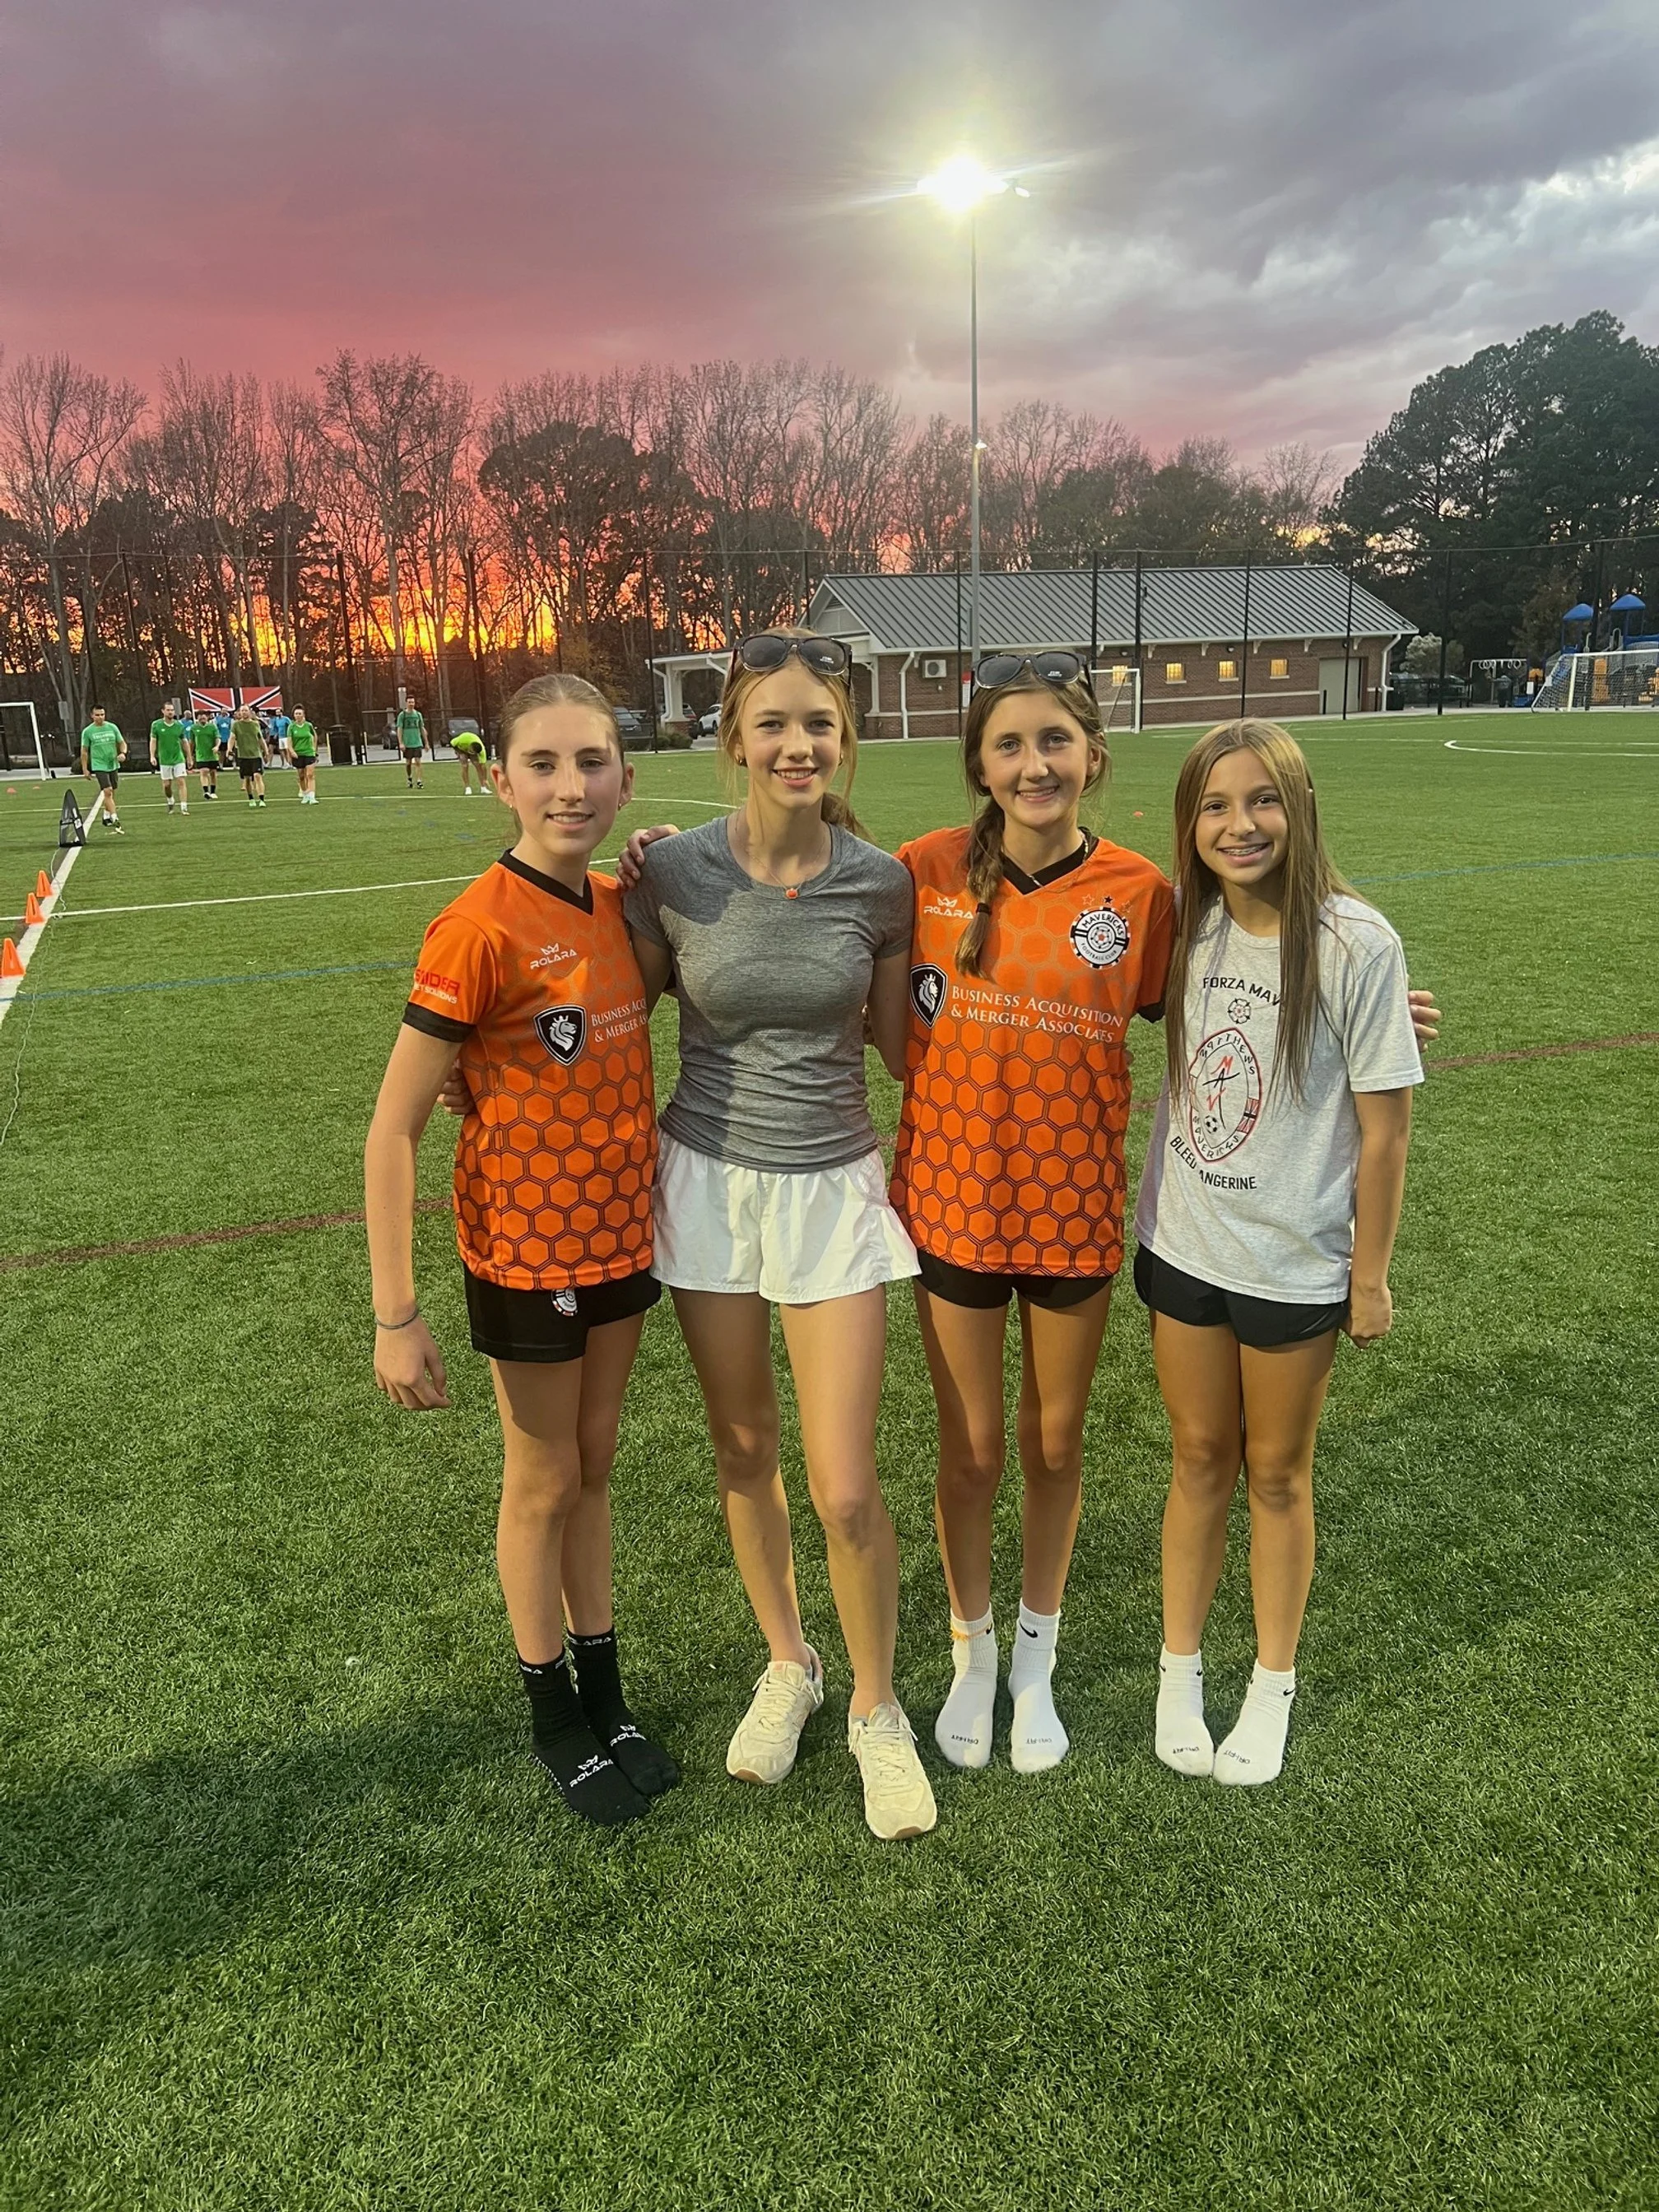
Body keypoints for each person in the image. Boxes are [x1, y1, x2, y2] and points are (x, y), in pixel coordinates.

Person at [620, 630, 936, 1843]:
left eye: (819, 725)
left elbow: (910, 1048)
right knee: (743, 1450)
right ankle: (790, 1665)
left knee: (845, 1486)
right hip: (704, 1184)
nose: (797, 745)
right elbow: (605, 1005)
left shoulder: (879, 882)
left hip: (831, 1195)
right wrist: (467, 1071)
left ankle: (875, 1710)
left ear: (841, 743)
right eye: (774, 724)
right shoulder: (676, 873)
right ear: (734, 739)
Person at [365, 672, 675, 1829]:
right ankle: (552, 1711)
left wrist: (660, 860)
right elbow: (392, 1128)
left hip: (620, 1239)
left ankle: (606, 1689)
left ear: (624, 777)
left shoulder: (617, 908)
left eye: (591, 761)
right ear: (501, 779)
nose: (569, 785)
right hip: (526, 1254)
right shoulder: (478, 927)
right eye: (542, 764)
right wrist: (397, 1315)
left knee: (595, 1466)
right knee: (542, 1477)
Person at [878, 653, 1173, 1774]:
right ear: (981, 767)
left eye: (1055, 740)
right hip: (950, 1209)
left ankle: (1036, 1657)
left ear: (1093, 754)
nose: (1034, 762)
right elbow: (788, 893)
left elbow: (1240, 984)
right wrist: (644, 866)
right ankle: (971, 1647)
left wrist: (1374, 1007)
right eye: (1009, 744)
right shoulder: (921, 871)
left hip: (1074, 1216)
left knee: (1054, 1443)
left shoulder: (1142, 894)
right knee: (973, 1448)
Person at [1136, 720, 1421, 1787]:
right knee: (1199, 1459)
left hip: (1295, 1262)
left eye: (1261, 801)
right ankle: (1181, 1672)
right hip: (1186, 1245)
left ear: (1298, 810)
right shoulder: (1182, 928)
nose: (1239, 824)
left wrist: (1370, 1274)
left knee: (1276, 1473)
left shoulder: (1358, 944)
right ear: (1189, 824)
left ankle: (1272, 1684)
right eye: (1214, 805)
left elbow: (1387, 1129)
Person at [79, 709, 126, 831]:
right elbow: (84, 751)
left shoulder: (112, 727)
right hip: (99, 765)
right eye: (97, 715)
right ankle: (115, 818)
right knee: (108, 791)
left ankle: (106, 816)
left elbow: (122, 742)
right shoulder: (88, 731)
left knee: (112, 791)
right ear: (92, 716)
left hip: (113, 764)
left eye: (102, 714)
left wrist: (123, 753)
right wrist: (85, 769)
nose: (100, 717)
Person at [150, 700, 191, 816]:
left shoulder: (179, 725)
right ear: (163, 711)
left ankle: (184, 807)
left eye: (172, 710)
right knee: (167, 785)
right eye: (168, 710)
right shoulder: (156, 725)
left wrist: (189, 757)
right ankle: (170, 800)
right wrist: (152, 756)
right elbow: (153, 741)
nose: (170, 712)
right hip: (164, 759)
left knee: (181, 781)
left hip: (178, 758)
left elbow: (184, 741)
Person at [231, 704, 268, 806]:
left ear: (250, 712)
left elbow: (260, 739)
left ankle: (261, 799)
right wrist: (229, 749)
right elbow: (232, 737)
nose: (244, 713)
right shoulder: (236, 725)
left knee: (257, 776)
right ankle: (251, 798)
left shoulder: (256, 724)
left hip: (256, 755)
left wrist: (266, 751)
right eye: (242, 711)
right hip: (243, 756)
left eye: (246, 710)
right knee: (247, 778)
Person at [289, 706, 320, 802]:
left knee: (310, 774)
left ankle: (312, 796)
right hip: (298, 753)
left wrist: (314, 749)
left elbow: (314, 736)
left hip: (309, 752)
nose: (298, 716)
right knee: (301, 775)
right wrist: (292, 751)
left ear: (303, 715)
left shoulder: (308, 725)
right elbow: (289, 741)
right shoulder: (292, 727)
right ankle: (305, 793)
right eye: (296, 714)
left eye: (300, 714)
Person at [189, 709, 221, 799]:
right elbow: (191, 742)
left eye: (204, 715)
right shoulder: (194, 728)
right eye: (200, 715)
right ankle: (206, 791)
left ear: (207, 717)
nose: (202, 717)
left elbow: (218, 738)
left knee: (213, 773)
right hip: (201, 755)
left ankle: (213, 791)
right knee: (204, 771)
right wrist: (190, 754)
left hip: (212, 754)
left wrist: (217, 746)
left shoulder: (212, 727)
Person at [397, 700, 426, 787]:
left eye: (413, 702)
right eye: (410, 702)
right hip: (407, 743)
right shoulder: (402, 715)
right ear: (406, 703)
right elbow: (399, 729)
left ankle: (419, 781)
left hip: (417, 742)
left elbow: (422, 728)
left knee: (418, 762)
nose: (411, 704)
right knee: (408, 763)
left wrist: (426, 742)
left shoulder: (418, 715)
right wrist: (401, 743)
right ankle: (409, 778)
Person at [454, 727, 488, 796]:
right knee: (465, 766)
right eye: (471, 751)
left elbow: (483, 765)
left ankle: (483, 788)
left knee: (478, 766)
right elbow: (452, 743)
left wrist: (485, 779)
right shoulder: (462, 740)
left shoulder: (482, 751)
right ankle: (468, 788)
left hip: (471, 747)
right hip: (462, 749)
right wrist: (458, 752)